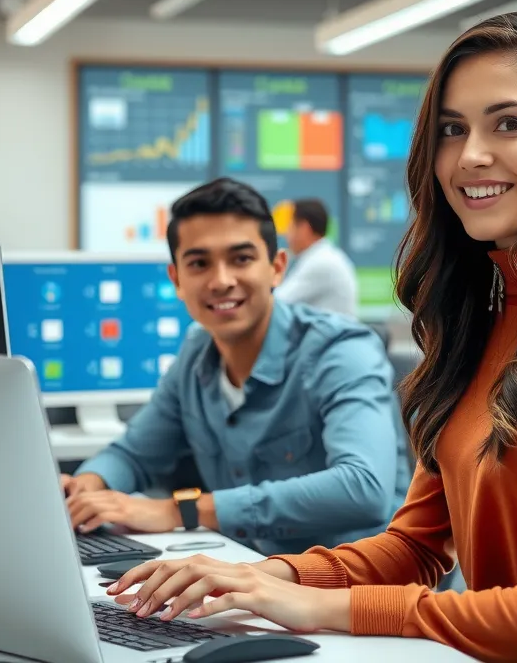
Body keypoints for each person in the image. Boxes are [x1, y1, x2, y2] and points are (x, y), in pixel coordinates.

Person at [102, 12, 517, 663]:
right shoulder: (484, 311)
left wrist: (317, 605)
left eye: (509, 123)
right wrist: (269, 579)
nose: (471, 155)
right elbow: (419, 547)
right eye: (453, 130)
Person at [62, 177, 411, 556]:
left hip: (366, 594)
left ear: (277, 268)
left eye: (241, 259)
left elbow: (363, 488)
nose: (221, 281)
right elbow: (132, 454)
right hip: (257, 579)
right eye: (199, 263)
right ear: (176, 279)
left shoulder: (340, 349)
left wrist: (183, 510)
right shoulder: (197, 354)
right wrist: (87, 488)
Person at [274, 199, 358, 318]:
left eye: (290, 227)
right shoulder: (323, 256)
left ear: (304, 228)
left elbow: (276, 304)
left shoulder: (321, 262)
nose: (287, 235)